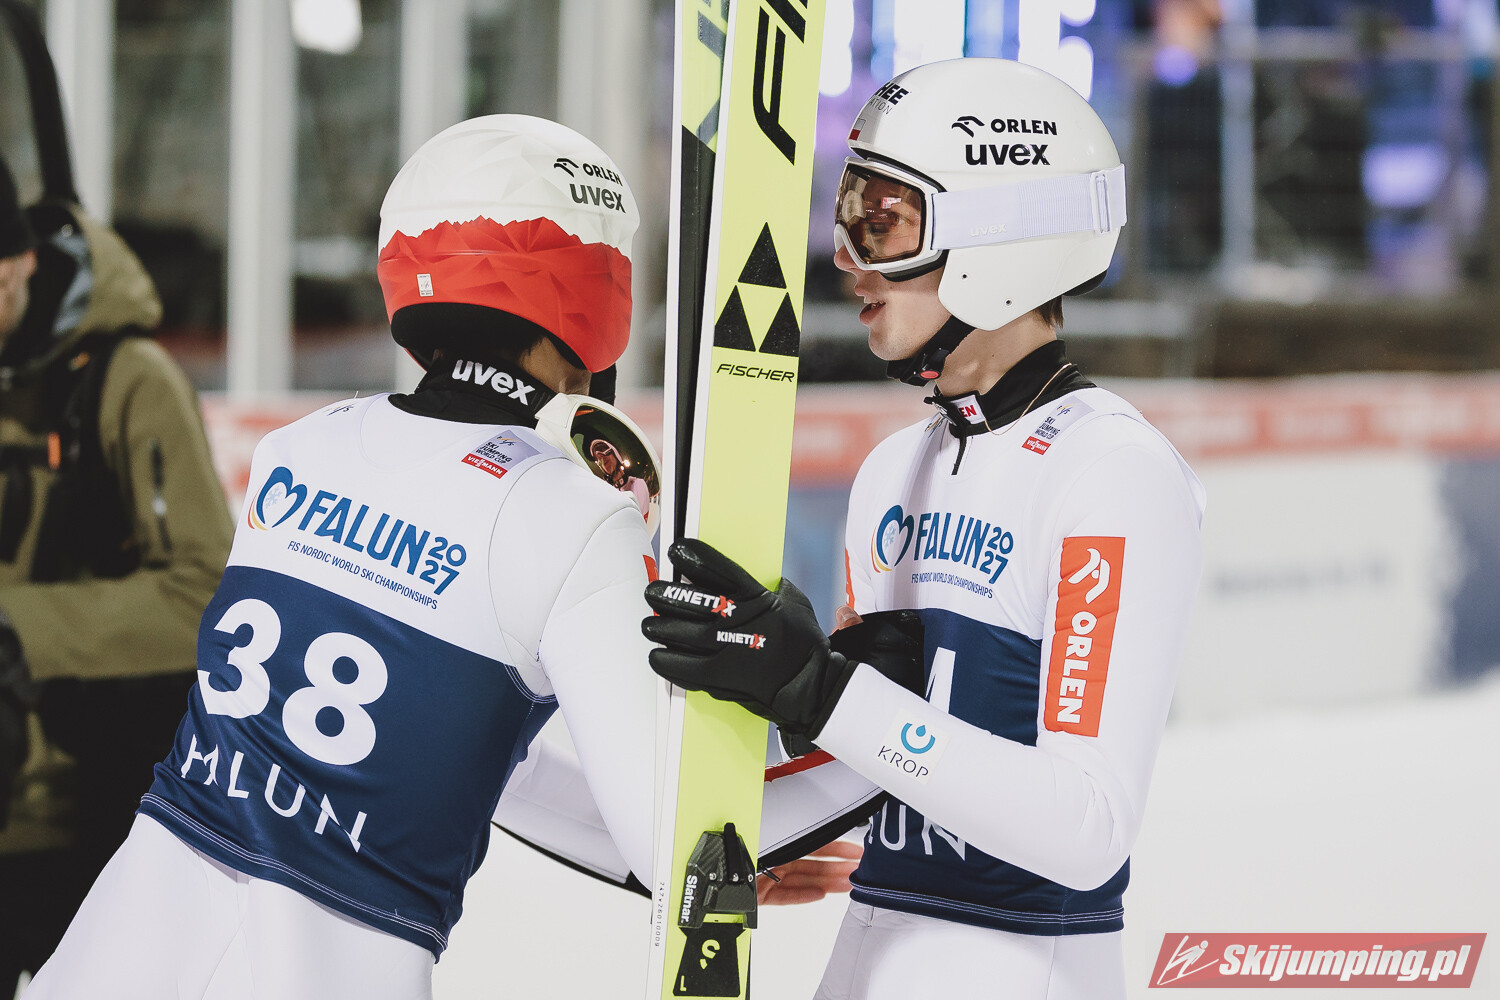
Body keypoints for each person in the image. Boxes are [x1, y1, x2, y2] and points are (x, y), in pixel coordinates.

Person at [23, 115, 855, 1000]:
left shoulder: (299, 448)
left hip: (113, 955)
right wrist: (857, 720)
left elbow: (457, 759)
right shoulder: (572, 513)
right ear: (592, 289)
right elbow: (682, 843)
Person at [643, 58, 1207, 1000]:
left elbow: (1087, 829)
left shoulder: (1111, 470)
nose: (845, 259)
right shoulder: (892, 470)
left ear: (1000, 237)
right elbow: (893, 754)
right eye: (846, 216)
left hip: (1022, 965)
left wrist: (823, 690)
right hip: (871, 947)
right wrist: (779, 815)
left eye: (883, 221)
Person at [0, 151, 233, 993]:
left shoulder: (129, 382)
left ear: (20, 262)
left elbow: (205, 595)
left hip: (83, 820)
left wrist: (19, 627)